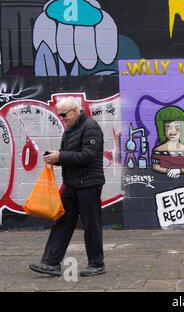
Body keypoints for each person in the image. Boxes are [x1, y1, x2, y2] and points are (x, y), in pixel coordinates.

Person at [29, 97, 106, 277]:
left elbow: (88, 155)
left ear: (74, 110)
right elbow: (70, 156)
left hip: (88, 185)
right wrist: (55, 158)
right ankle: (50, 263)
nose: (62, 118)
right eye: (60, 115)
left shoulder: (91, 127)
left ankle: (97, 264)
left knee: (91, 225)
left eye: (64, 115)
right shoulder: (70, 130)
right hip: (71, 185)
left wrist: (61, 156)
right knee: (62, 223)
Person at [151, 106, 184, 178]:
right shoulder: (158, 150)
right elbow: (155, 167)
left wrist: (179, 171)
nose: (173, 131)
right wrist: (168, 171)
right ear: (162, 129)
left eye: (177, 127)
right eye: (168, 127)